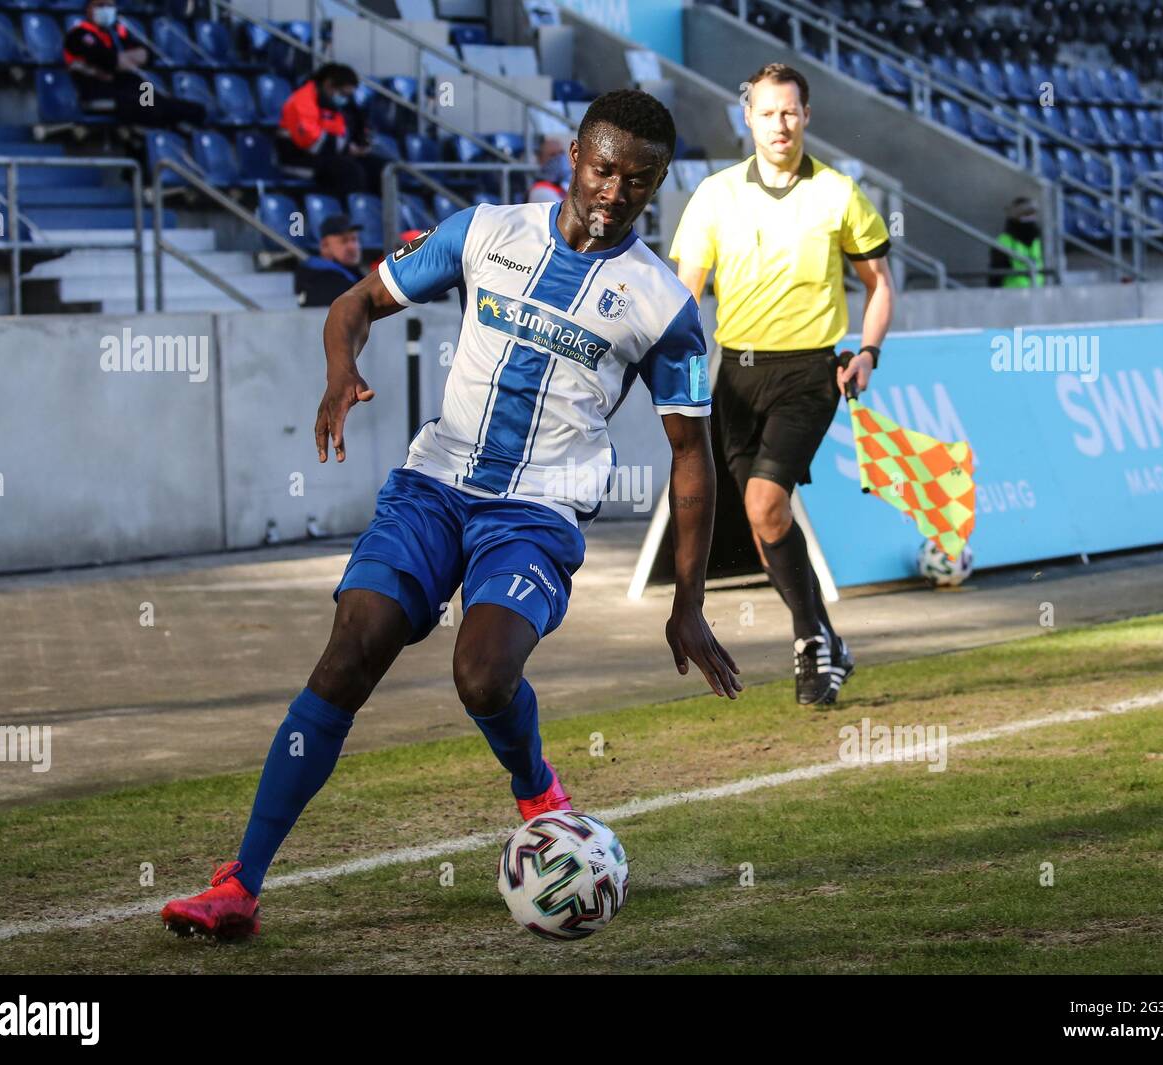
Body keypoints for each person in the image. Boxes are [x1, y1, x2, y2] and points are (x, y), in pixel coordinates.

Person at [160, 89, 742, 939]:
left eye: (640, 179)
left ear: (658, 184)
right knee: (353, 647)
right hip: (433, 485)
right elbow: (353, 304)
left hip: (536, 513)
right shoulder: (484, 233)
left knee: (483, 676)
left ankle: (535, 783)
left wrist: (688, 601)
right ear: (574, 152)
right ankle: (238, 884)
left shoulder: (662, 305)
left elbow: (694, 457)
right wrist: (338, 372)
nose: (616, 190)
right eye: (605, 166)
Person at [670, 63, 894, 708]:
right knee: (762, 520)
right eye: (768, 113)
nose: (780, 124)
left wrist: (870, 352)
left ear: (807, 116)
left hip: (809, 373)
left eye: (791, 111)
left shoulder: (839, 193)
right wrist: (673, 369)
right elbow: (688, 294)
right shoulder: (714, 195)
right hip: (736, 376)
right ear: (749, 118)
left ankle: (808, 643)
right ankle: (826, 637)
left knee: (768, 504)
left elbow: (880, 284)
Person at [62, 0, 206, 129]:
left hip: (129, 87)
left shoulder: (116, 34)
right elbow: (110, 61)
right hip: (101, 92)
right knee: (151, 108)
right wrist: (123, 59)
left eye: (110, 6)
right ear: (88, 8)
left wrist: (123, 59)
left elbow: (147, 55)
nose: (106, 9)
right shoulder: (79, 35)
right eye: (100, 5)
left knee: (170, 103)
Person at [278, 64, 383, 204]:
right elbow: (310, 141)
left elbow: (340, 133)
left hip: (325, 155)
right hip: (297, 158)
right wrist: (347, 149)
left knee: (380, 168)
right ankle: (346, 216)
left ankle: (378, 216)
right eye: (343, 94)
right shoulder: (302, 100)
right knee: (349, 171)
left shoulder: (331, 103)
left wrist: (359, 143)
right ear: (328, 85)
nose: (345, 99)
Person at [295, 214, 364, 308]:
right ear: (325, 246)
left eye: (354, 239)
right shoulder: (322, 282)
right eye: (344, 241)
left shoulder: (352, 274)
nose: (352, 247)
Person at [988, 196, 1045, 287]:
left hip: (1037, 292)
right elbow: (995, 278)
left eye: (1032, 214)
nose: (1030, 218)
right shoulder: (1004, 241)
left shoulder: (1037, 239)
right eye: (1026, 214)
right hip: (1012, 295)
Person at [528, 136, 571, 203]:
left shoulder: (563, 185)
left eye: (561, 153)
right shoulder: (540, 191)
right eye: (553, 155)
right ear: (540, 159)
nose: (559, 159)